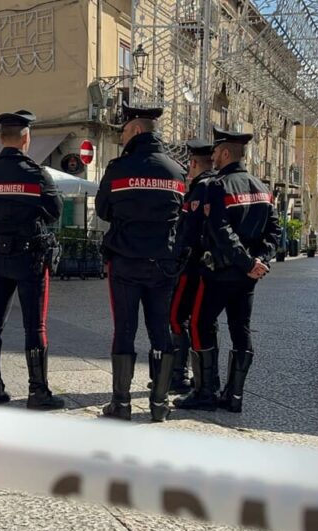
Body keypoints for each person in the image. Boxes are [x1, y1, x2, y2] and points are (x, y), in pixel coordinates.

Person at [174, 128, 282, 413]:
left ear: (224, 153)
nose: (212, 157)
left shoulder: (217, 186)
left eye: (215, 152)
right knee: (240, 330)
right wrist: (259, 261)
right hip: (247, 278)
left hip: (218, 274)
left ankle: (205, 392)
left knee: (200, 325)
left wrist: (246, 262)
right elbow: (275, 231)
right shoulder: (262, 187)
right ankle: (234, 396)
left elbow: (220, 230)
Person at [96, 104, 186, 423]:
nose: (121, 137)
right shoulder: (176, 170)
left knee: (125, 329)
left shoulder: (118, 168)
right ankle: (159, 404)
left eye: (123, 131)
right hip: (163, 262)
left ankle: (121, 404)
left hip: (125, 261)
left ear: (135, 129)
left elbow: (103, 210)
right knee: (161, 329)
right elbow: (182, 216)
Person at [0, 110, 64, 410]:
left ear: (1, 138)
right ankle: (38, 392)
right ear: (26, 138)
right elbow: (54, 213)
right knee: (34, 326)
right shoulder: (37, 174)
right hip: (29, 258)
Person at [156, 140, 217, 395]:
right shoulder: (215, 185)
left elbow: (189, 231)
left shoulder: (202, 188)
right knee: (200, 320)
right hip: (205, 265)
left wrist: (175, 258)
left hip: (191, 265)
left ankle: (178, 375)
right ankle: (200, 378)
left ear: (193, 163)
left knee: (176, 317)